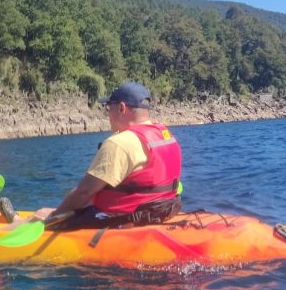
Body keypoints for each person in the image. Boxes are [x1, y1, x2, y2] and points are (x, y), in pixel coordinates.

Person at [40, 81, 182, 230]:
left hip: (124, 219)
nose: (107, 114)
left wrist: (53, 219)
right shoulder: (164, 134)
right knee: (45, 212)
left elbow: (83, 192)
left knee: (42, 214)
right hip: (161, 212)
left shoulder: (119, 143)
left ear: (121, 108)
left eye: (109, 108)